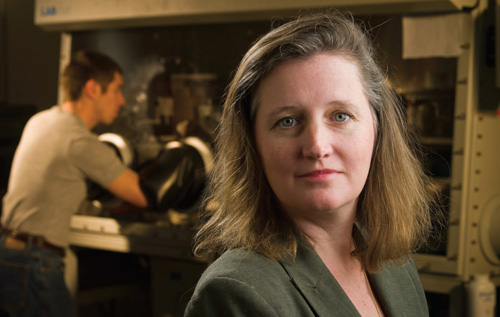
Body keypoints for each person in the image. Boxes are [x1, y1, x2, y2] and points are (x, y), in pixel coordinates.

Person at [185, 12, 438, 316]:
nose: (317, 146)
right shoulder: (236, 291)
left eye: (340, 116)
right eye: (287, 121)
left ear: (377, 130)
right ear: (254, 146)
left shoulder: (392, 261)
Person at [0, 50, 148, 316]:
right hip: (36, 263)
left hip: (10, 254)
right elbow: (143, 194)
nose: (122, 101)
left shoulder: (41, 121)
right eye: (116, 90)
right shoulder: (78, 141)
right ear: (92, 89)